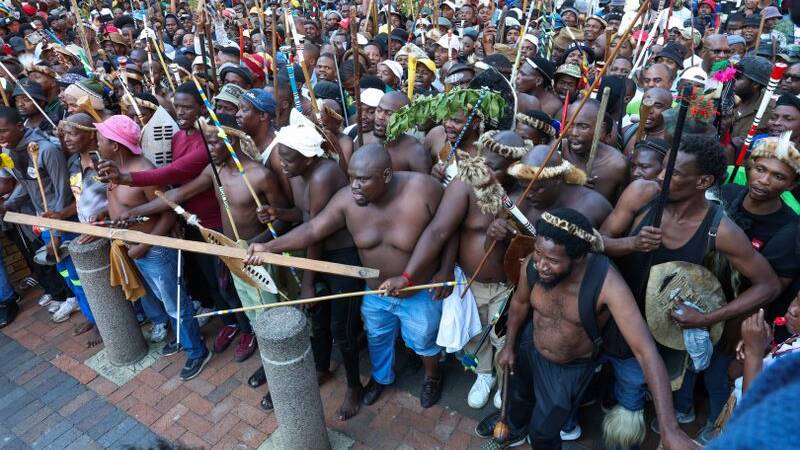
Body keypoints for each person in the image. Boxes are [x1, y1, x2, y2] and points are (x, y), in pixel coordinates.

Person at [601, 136, 780, 445]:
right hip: (613, 319)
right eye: (662, 167)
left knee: (639, 389)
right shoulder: (641, 193)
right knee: (615, 385)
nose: (660, 176)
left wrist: (707, 318)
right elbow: (599, 241)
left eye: (673, 172)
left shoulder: (719, 229)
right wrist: (631, 243)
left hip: (664, 333)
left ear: (703, 182)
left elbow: (769, 285)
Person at [247, 144, 452, 409]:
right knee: (377, 337)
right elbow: (313, 229)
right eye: (352, 177)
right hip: (376, 292)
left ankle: (433, 376)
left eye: (363, 179)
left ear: (386, 175)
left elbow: (446, 231)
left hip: (418, 292)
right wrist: (268, 248)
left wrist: (445, 269)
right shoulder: (346, 200)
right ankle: (381, 378)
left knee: (423, 341)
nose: (354, 186)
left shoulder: (424, 189)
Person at [475, 208, 698, 450]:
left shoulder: (607, 284)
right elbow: (520, 303)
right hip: (530, 346)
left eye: (553, 261)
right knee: (518, 398)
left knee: (543, 432)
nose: (541, 266)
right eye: (538, 253)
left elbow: (646, 353)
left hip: (567, 369)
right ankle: (514, 430)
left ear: (579, 257)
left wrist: (670, 428)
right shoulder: (533, 263)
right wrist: (510, 346)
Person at [381, 130, 526, 410]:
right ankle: (484, 374)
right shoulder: (465, 184)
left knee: (505, 337)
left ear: (514, 168)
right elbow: (439, 231)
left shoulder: (527, 193)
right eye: (483, 162)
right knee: (475, 334)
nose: (484, 171)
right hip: (471, 281)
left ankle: (503, 379)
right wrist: (409, 276)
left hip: (510, 286)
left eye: (494, 167)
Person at [262, 121, 364, 420]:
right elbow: (304, 214)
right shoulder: (299, 173)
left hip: (341, 257)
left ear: (308, 158)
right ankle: (321, 367)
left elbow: (315, 231)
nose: (282, 164)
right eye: (281, 157)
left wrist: (307, 283)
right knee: (318, 318)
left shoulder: (323, 174)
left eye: (288, 159)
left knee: (341, 327)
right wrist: (279, 213)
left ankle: (354, 386)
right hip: (316, 252)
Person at [96, 114, 210, 380]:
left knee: (175, 303)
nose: (97, 143)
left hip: (156, 250)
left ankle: (196, 350)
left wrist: (145, 245)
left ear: (115, 145)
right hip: (138, 250)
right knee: (165, 300)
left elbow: (169, 214)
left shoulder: (144, 171)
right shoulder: (115, 170)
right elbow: (122, 206)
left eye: (101, 139)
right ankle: (183, 338)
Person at [563, 100, 629, 202]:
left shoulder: (617, 165)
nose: (574, 133)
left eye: (583, 127)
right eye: (569, 125)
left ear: (601, 129)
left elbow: (621, 206)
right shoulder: (558, 149)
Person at [372, 92, 431, 173]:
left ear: (404, 119)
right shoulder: (364, 137)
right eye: (379, 110)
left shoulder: (416, 153)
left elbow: (423, 181)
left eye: (389, 114)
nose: (380, 117)